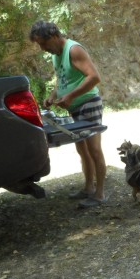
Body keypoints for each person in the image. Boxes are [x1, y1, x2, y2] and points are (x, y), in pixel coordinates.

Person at [29, 20, 107, 208]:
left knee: (94, 150)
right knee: (82, 150)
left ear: (54, 36)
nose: (42, 48)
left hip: (88, 103)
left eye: (43, 43)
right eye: (39, 44)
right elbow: (63, 79)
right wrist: (53, 95)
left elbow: (94, 77)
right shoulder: (56, 54)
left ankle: (100, 194)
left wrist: (71, 95)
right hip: (75, 107)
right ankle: (88, 188)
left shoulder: (74, 50)